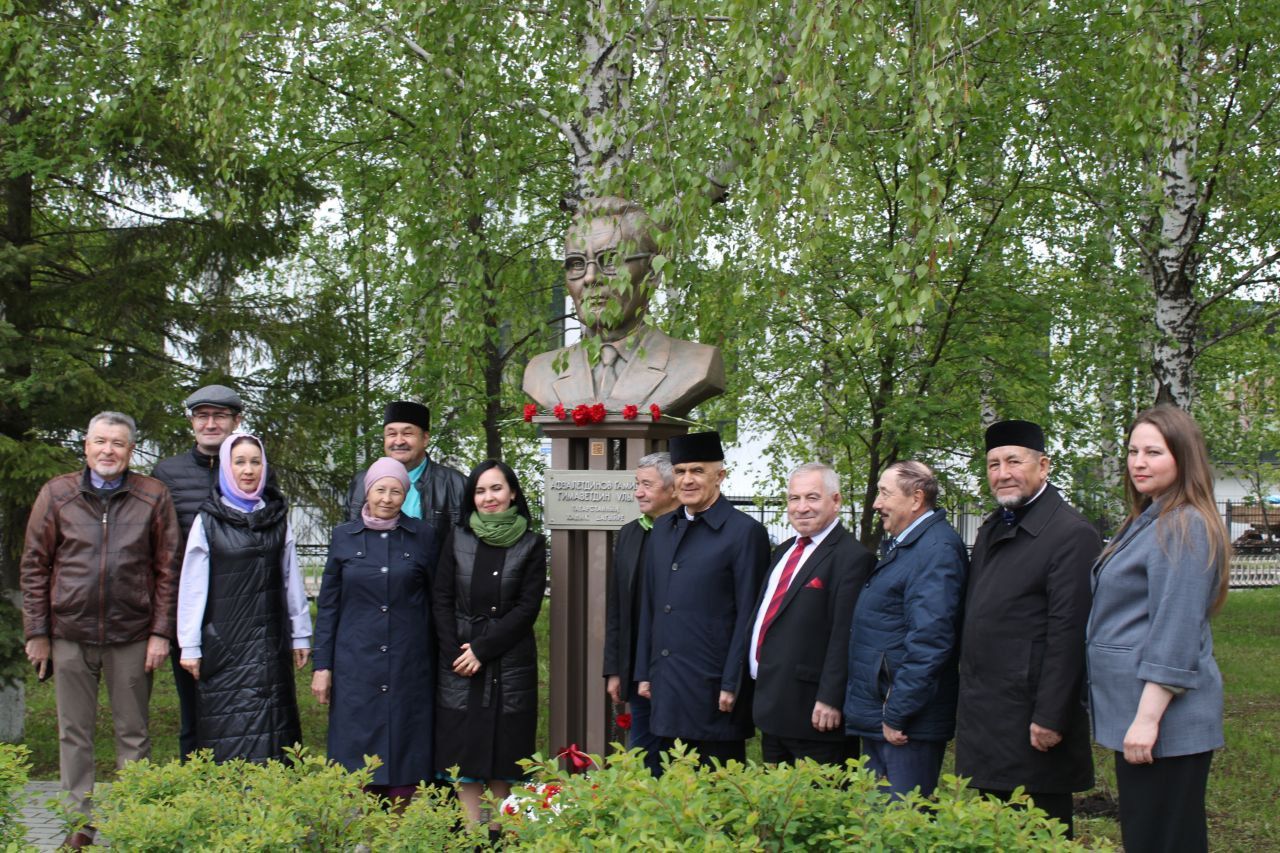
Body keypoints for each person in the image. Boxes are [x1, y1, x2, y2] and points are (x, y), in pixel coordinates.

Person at [20, 412, 179, 850]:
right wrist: (37, 633)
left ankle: (134, 822)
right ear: (86, 446)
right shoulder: (57, 494)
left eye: (119, 443)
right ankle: (79, 827)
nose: (108, 450)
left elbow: (169, 570)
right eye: (101, 441)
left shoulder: (152, 496)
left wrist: (161, 633)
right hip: (69, 633)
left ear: (131, 450)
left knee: (134, 733)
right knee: (74, 732)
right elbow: (35, 565)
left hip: (132, 635)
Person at [1087, 406, 1229, 853]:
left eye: (1153, 452)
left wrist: (1146, 721)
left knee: (1166, 839)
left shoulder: (1184, 524)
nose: (1138, 462)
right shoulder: (1150, 516)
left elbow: (1176, 631)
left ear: (1183, 459)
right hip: (1142, 715)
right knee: (1149, 835)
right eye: (1132, 451)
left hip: (1164, 721)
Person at [955, 420, 1101, 838]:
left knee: (1038, 834)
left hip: (1031, 720)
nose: (1003, 473)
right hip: (989, 715)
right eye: (993, 464)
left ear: (1044, 465)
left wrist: (1051, 716)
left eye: (1014, 461)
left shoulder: (1071, 535)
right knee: (996, 834)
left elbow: (1069, 634)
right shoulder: (993, 527)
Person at [153, 383, 278, 759]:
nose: (210, 424)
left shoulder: (256, 470)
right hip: (191, 613)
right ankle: (197, 798)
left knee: (246, 714)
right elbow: (161, 548)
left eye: (219, 416)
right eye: (201, 416)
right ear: (191, 421)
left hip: (245, 616)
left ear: (236, 421)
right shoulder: (167, 473)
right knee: (195, 712)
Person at [635, 431, 770, 768]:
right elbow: (650, 606)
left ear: (719, 475)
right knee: (668, 799)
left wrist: (732, 683)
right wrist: (644, 672)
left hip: (713, 690)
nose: (687, 480)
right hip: (667, 684)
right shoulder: (663, 529)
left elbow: (749, 616)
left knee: (715, 800)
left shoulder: (744, 532)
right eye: (680, 472)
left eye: (697, 471)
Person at [522, 197, 725, 417]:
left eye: (610, 261)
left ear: (652, 273)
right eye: (577, 264)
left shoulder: (695, 364)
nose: (590, 278)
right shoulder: (541, 372)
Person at [177, 433, 312, 763]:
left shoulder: (278, 518)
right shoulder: (208, 520)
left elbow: (290, 579)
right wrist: (190, 645)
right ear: (226, 467)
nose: (248, 470)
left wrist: (300, 635)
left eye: (255, 462)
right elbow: (193, 587)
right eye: (240, 462)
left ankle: (276, 811)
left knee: (275, 735)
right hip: (226, 648)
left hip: (270, 646)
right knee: (228, 738)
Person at [312, 457, 438, 806]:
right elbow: (329, 607)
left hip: (409, 664)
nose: (387, 498)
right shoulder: (343, 537)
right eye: (380, 489)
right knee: (356, 754)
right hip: (356, 665)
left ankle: (397, 833)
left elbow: (437, 601)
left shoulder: (423, 536)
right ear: (367, 491)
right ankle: (363, 834)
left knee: (405, 751)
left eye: (395, 491)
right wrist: (322, 667)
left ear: (405, 495)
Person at [844, 461, 967, 798]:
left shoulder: (936, 550)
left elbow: (931, 640)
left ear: (916, 498)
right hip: (884, 715)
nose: (876, 503)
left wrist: (898, 711)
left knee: (899, 827)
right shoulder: (909, 544)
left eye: (884, 493)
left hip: (903, 724)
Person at [433, 460, 546, 827]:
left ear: (512, 492)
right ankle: (471, 837)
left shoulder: (531, 544)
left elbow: (528, 607)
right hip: (460, 665)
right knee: (464, 758)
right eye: (480, 491)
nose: (488, 497)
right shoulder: (458, 537)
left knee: (504, 756)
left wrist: (483, 649)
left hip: (508, 664)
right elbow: (442, 599)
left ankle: (501, 835)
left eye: (496, 488)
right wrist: (457, 654)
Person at [750, 463, 874, 765]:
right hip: (773, 705)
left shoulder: (853, 558)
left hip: (816, 716)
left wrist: (831, 698)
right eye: (794, 498)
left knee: (818, 807)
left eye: (812, 498)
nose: (801, 508)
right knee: (774, 807)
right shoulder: (784, 551)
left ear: (836, 501)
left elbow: (845, 634)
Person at [603, 452, 679, 776]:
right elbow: (617, 606)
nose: (638, 492)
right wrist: (615, 669)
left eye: (647, 485)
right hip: (636, 669)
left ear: (672, 489)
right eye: (637, 484)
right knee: (644, 761)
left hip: (676, 672)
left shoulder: (686, 533)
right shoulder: (630, 533)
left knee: (677, 760)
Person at [344, 401, 466, 531]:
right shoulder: (361, 482)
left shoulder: (456, 485)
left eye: (407, 434)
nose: (399, 441)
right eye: (392, 434)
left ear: (425, 439)